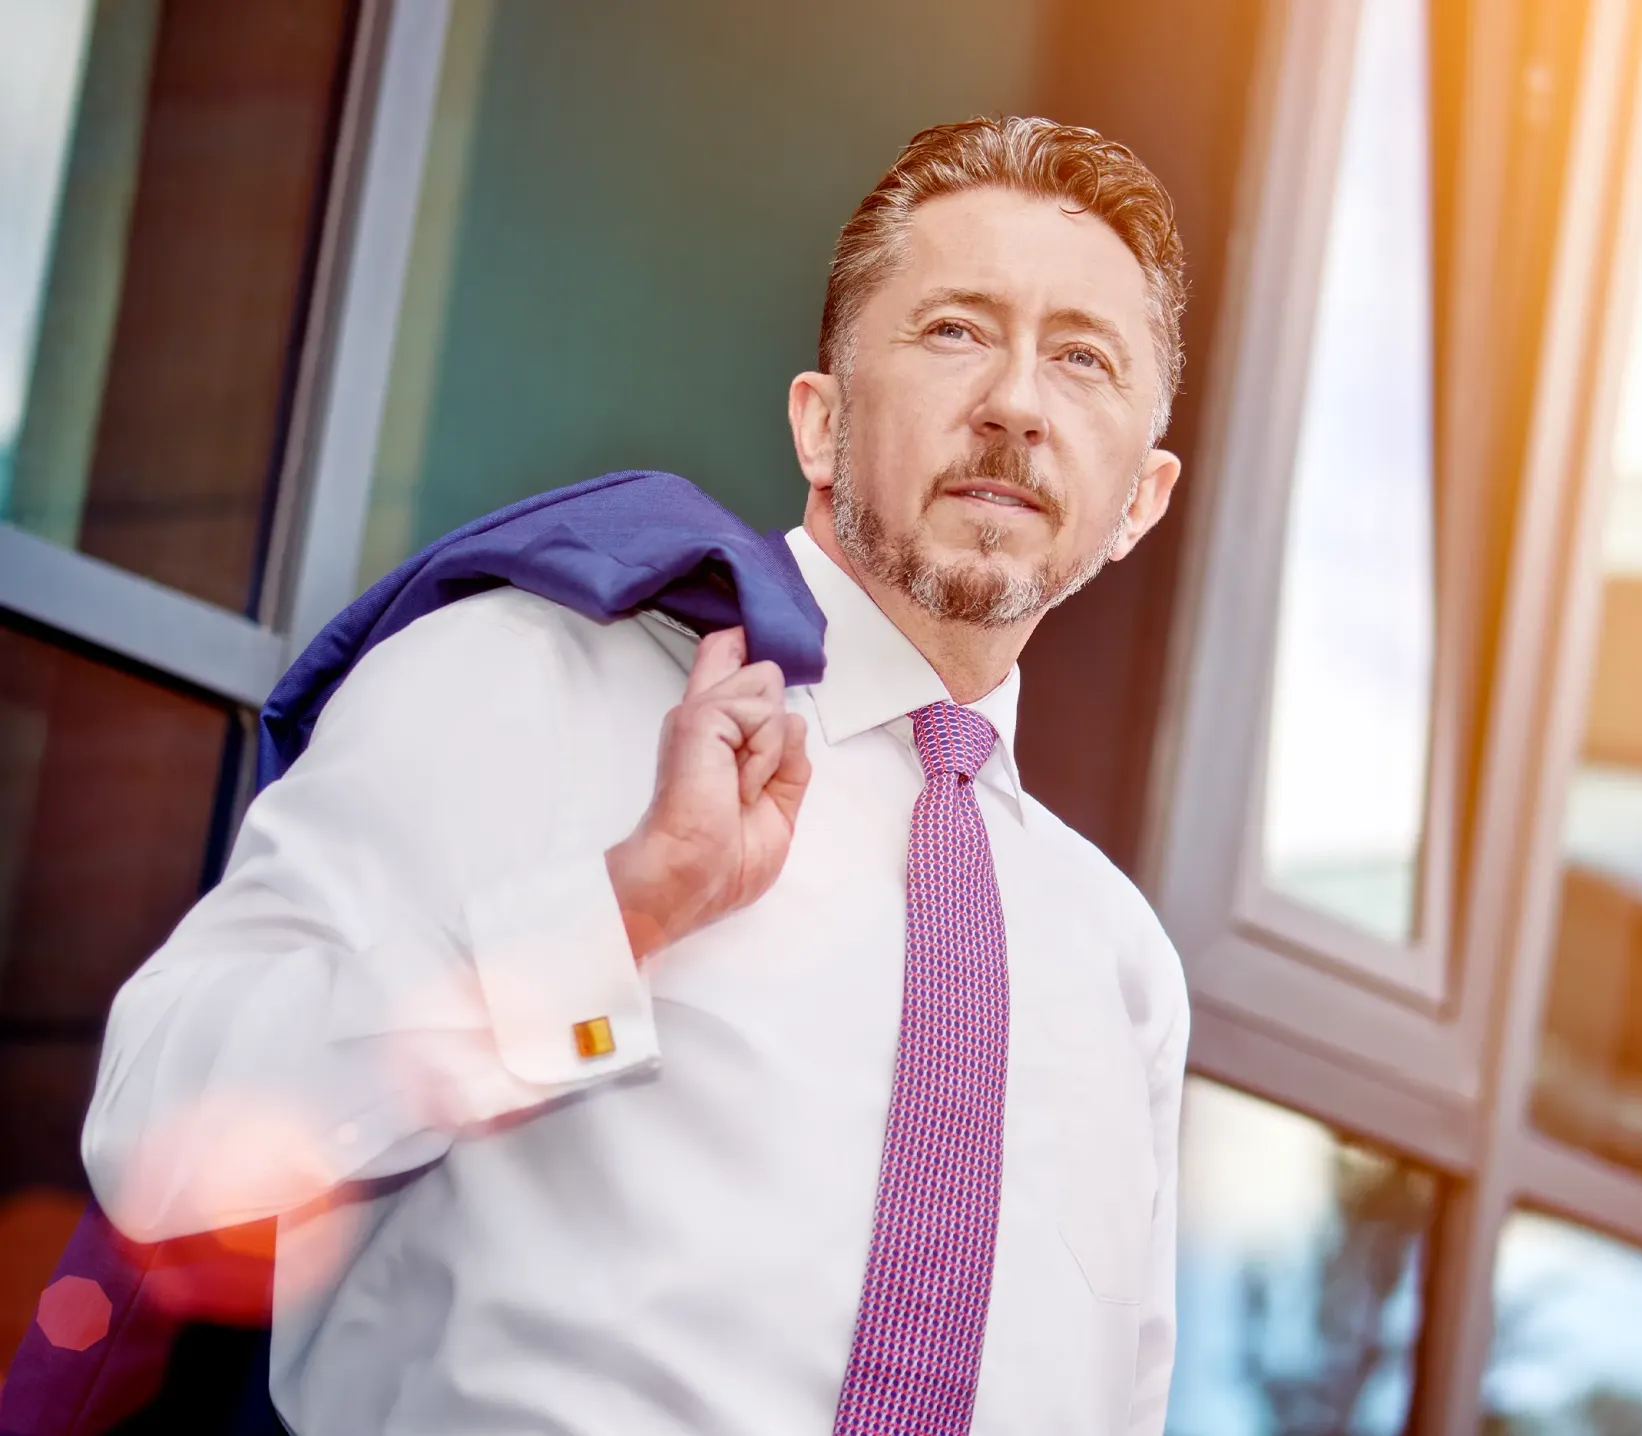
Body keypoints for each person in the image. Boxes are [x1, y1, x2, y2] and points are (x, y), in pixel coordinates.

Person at [81, 115, 1192, 1435]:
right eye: (955, 329)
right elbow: (164, 1139)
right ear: (821, 423)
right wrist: (617, 921)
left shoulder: (1122, 966)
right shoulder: (527, 678)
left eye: (1081, 358)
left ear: (1142, 500)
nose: (1015, 400)